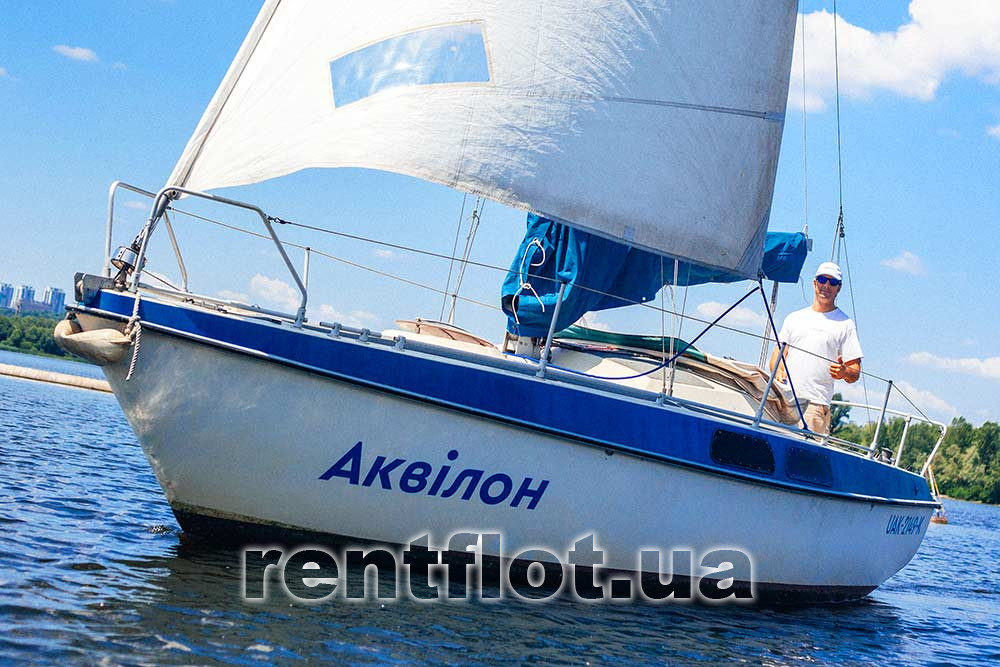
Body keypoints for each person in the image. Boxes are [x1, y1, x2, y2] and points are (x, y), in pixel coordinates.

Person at [769, 261, 862, 434]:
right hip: (781, 399)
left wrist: (843, 372)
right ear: (814, 283)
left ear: (838, 288)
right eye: (822, 280)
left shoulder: (846, 324)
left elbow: (854, 371)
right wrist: (778, 369)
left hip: (813, 405)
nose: (826, 286)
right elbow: (777, 355)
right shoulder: (793, 318)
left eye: (832, 282)